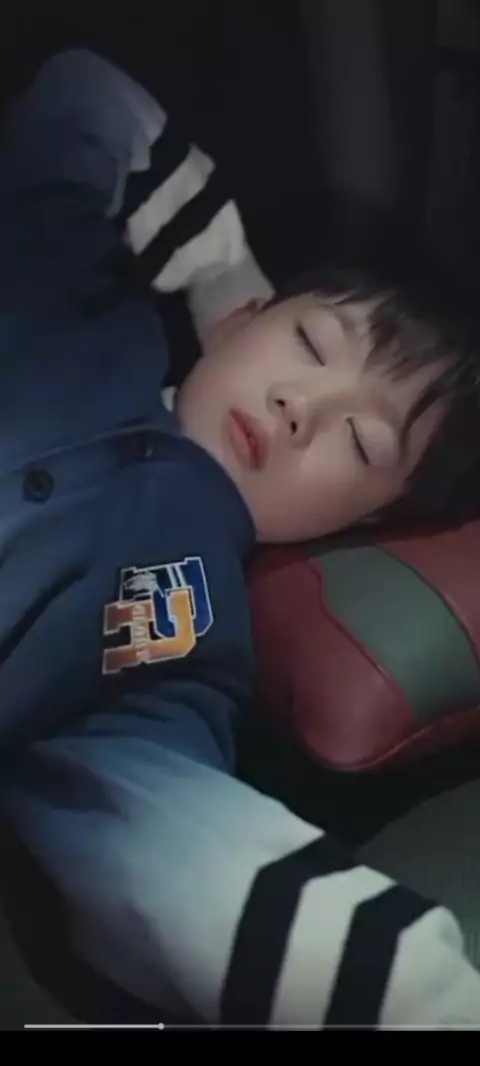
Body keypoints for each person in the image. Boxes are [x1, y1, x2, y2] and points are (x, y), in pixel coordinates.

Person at [0, 49, 479, 1028]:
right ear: (249, 318)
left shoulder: (185, 613)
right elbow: (84, 99)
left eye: (359, 442)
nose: (303, 407)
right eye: (308, 345)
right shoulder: (82, 309)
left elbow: (157, 815)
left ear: (363, 521)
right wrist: (219, 275)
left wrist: (406, 985)